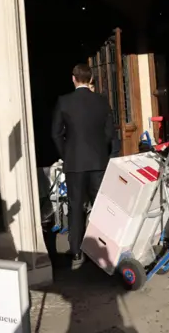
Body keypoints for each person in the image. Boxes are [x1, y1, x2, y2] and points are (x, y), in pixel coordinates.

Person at [51, 64, 115, 270]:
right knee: (100, 207)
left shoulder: (64, 101)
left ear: (73, 79)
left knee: (76, 207)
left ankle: (77, 251)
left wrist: (66, 153)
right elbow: (108, 131)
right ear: (91, 79)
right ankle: (103, 251)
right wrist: (100, 150)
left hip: (75, 162)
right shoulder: (102, 101)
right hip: (98, 162)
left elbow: (55, 133)